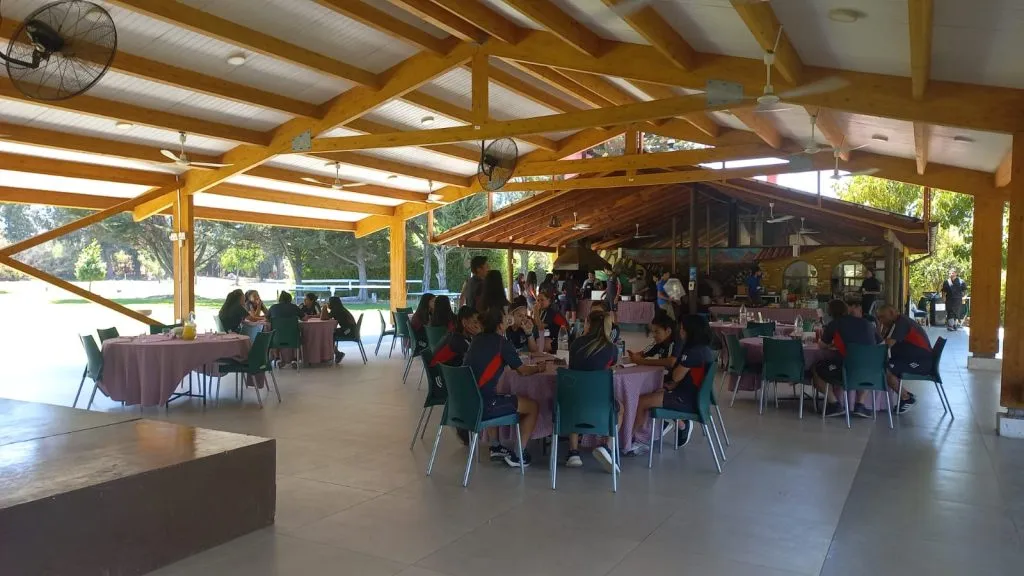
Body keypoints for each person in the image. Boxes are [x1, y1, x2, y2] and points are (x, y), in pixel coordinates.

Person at [463, 306, 545, 468]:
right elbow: (522, 371)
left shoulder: (476, 340)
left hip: (466, 402)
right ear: (500, 325)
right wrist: (539, 368)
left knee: (494, 392)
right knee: (532, 406)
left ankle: (495, 446)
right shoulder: (502, 344)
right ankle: (519, 455)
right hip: (484, 406)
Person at [632, 314, 716, 451]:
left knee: (642, 401)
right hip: (697, 398)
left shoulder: (692, 352)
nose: (680, 331)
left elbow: (676, 376)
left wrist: (679, 366)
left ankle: (637, 439)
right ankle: (655, 429)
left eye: (682, 328)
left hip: (686, 399)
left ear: (691, 331)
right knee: (655, 393)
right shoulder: (705, 350)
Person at [565, 309, 620, 472]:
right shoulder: (612, 349)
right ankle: (607, 447)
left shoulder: (576, 344)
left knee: (573, 401)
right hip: (600, 403)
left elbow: (572, 369)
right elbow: (610, 368)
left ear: (588, 324)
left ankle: (573, 452)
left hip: (575, 400)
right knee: (620, 409)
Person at [812, 299, 883, 418]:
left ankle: (834, 403)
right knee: (863, 363)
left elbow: (822, 345)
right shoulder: (867, 323)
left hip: (847, 369)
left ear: (830, 313)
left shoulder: (835, 324)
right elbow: (881, 344)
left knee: (816, 369)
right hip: (872, 370)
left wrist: (829, 344)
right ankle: (860, 404)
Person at [876, 304, 932, 414]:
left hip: (921, 361)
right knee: (885, 365)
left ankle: (906, 398)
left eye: (882, 317)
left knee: (885, 370)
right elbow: (885, 339)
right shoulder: (896, 322)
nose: (881, 320)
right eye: (879, 318)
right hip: (913, 358)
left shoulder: (902, 323)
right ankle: (905, 394)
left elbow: (888, 343)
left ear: (892, 313)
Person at [323, 296, 357, 363]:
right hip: (351, 330)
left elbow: (325, 317)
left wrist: (324, 307)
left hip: (348, 331)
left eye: (329, 302)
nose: (328, 303)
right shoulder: (339, 308)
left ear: (332, 303)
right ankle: (336, 353)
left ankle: (337, 353)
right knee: (330, 334)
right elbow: (326, 316)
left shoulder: (336, 310)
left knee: (329, 335)